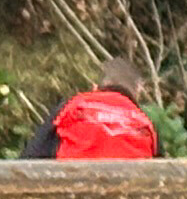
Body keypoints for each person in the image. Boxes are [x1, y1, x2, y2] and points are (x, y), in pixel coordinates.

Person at [25, 62, 163, 159]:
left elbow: (31, 156)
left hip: (73, 193)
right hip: (127, 197)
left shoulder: (73, 105)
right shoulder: (145, 123)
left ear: (95, 86)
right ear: (137, 92)